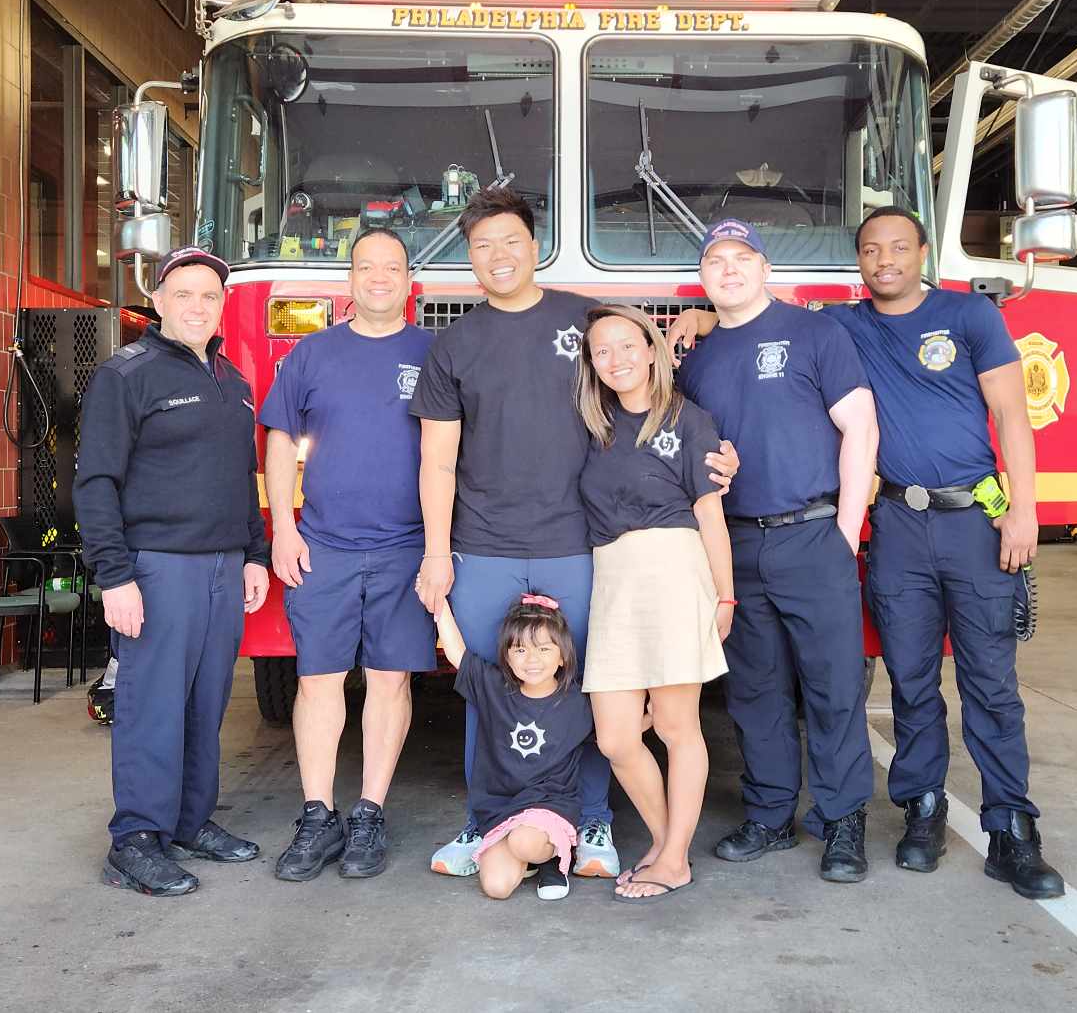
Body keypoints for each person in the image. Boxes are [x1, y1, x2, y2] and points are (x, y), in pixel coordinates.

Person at [668, 207, 1065, 898]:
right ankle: (921, 812)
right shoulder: (840, 323)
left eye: (899, 247)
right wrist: (699, 321)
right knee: (904, 682)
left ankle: (1009, 831)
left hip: (970, 516)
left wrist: (1023, 510)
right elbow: (758, 315)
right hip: (892, 523)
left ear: (922, 252)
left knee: (987, 686)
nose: (885, 260)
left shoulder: (967, 317)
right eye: (871, 250)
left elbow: (1009, 415)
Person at [409, 186, 739, 879]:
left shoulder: (579, 322)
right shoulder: (455, 343)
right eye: (482, 246)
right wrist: (438, 552)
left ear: (535, 245)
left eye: (510, 241)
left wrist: (704, 318)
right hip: (483, 546)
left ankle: (590, 822)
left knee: (586, 690)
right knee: (489, 686)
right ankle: (485, 823)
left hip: (578, 547)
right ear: (470, 258)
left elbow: (644, 349)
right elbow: (437, 456)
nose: (498, 256)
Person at [673, 218, 880, 884]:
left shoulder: (818, 333)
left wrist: (845, 532)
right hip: (735, 546)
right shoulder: (698, 363)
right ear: (703, 278)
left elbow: (861, 427)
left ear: (765, 269)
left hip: (812, 534)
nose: (728, 270)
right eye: (715, 261)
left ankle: (843, 822)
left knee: (833, 688)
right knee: (755, 692)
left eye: (741, 258)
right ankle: (768, 816)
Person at [76, 245, 272, 897]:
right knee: (150, 709)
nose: (197, 306)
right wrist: (115, 576)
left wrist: (254, 554)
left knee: (204, 705)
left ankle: (189, 822)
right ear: (157, 303)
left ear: (223, 307)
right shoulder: (126, 376)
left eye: (209, 296)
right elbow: (96, 482)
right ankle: (135, 839)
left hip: (221, 568)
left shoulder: (232, 382)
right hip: (156, 570)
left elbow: (239, 481)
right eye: (183, 294)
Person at [260, 230, 435, 882]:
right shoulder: (312, 354)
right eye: (367, 267)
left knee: (391, 678)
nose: (380, 277)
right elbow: (281, 442)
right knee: (317, 680)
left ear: (408, 281)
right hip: (324, 544)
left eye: (392, 267)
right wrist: (285, 528)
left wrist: (442, 548)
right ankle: (316, 813)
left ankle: (367, 813)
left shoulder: (433, 353)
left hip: (406, 546)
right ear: (350, 279)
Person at [574, 305, 733, 902]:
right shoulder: (594, 423)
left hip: (673, 567)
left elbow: (708, 513)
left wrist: (725, 594)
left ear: (651, 349)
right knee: (615, 736)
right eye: (600, 351)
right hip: (612, 577)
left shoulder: (690, 420)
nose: (614, 360)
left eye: (625, 346)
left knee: (674, 724)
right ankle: (670, 845)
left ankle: (672, 857)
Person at [433, 595, 593, 902]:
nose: (532, 659)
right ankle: (532, 858)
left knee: (524, 842)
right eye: (520, 649)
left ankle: (552, 859)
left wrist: (655, 715)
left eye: (544, 648)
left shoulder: (576, 701)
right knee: (496, 887)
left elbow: (618, 731)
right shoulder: (495, 689)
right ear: (506, 656)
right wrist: (439, 603)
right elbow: (457, 653)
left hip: (550, 805)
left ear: (562, 657)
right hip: (501, 810)